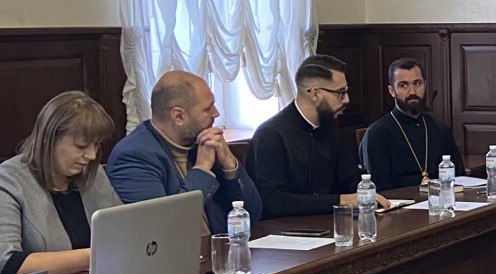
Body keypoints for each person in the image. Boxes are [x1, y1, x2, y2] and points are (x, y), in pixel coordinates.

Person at [106, 71, 261, 234]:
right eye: (208, 108)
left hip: (221, 245)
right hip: (179, 250)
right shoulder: (133, 156)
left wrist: (229, 164)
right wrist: (202, 169)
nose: (216, 113)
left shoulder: (202, 141)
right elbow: (164, 227)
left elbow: (253, 213)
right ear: (178, 116)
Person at [246, 55, 389, 219]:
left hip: (329, 222)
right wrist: (342, 200)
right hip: (285, 228)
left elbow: (349, 181)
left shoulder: (328, 126)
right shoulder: (270, 136)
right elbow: (275, 202)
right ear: (315, 94)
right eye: (340, 93)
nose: (347, 100)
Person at [0, 91, 121, 274]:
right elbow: (7, 263)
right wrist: (93, 255)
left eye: (96, 145)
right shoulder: (9, 179)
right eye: (81, 146)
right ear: (49, 139)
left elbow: (124, 232)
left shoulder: (93, 174)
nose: (91, 155)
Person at [359, 57, 464, 190]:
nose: (412, 91)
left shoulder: (440, 129)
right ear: (392, 91)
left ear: (425, 85)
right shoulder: (377, 133)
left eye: (417, 83)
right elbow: (379, 188)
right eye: (403, 85)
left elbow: (459, 177)